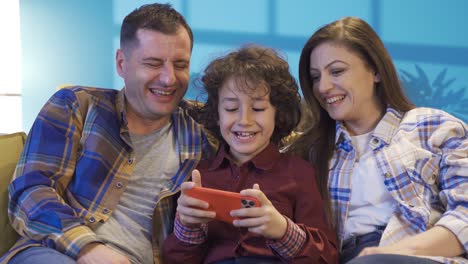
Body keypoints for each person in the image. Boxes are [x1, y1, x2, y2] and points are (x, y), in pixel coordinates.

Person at [0, 3, 215, 264]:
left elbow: (263, 122)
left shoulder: (202, 127)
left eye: (180, 65)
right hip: (58, 252)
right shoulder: (77, 105)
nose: (169, 79)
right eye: (153, 63)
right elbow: (31, 190)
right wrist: (89, 248)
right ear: (122, 64)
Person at [287, 16, 468, 264]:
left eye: (337, 71)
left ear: (375, 71)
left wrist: (397, 253)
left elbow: (465, 214)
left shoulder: (434, 127)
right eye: (315, 77)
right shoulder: (307, 151)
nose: (323, 86)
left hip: (422, 255)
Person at [164, 45, 338, 264]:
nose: (244, 120)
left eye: (257, 109)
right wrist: (187, 227)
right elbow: (175, 260)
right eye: (230, 108)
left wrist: (283, 231)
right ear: (217, 114)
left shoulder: (299, 172)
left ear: (278, 113)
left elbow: (328, 257)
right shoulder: (201, 175)